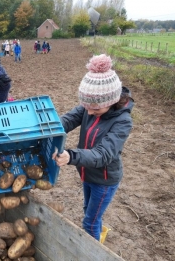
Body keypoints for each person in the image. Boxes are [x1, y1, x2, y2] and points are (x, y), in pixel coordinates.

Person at [52, 54, 134, 243]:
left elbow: (103, 154)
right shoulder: (91, 105)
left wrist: (70, 156)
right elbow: (69, 119)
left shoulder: (123, 121)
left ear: (110, 101)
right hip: (87, 173)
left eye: (95, 109)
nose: (88, 112)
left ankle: (93, 251)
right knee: (89, 211)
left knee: (89, 222)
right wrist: (52, 128)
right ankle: (98, 234)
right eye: (86, 106)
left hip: (104, 180)